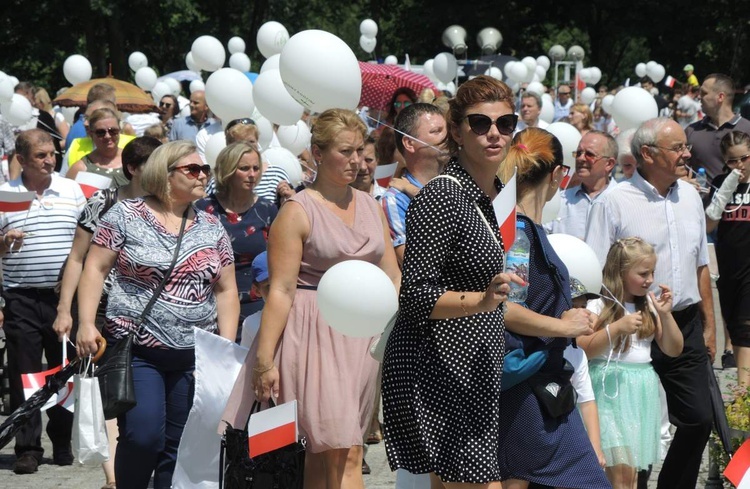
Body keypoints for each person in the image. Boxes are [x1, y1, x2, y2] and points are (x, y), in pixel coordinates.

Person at [382, 76, 594, 489]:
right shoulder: (442, 196)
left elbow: (510, 282)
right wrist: (480, 301)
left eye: (505, 123)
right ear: (457, 131)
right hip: (440, 368)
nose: (494, 133)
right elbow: (415, 296)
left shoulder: (500, 196)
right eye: (479, 124)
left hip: (484, 365)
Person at [222, 108, 400, 489]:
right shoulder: (297, 211)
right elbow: (282, 291)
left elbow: (391, 273)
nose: (356, 161)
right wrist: (265, 360)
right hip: (314, 333)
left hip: (364, 340)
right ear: (317, 153)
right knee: (335, 450)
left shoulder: (370, 204)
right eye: (345, 151)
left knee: (339, 450)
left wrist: (391, 331)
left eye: (360, 151)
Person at [76, 141, 239, 488]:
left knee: (178, 448)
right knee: (143, 436)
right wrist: (87, 323)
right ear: (164, 174)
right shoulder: (125, 214)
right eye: (192, 170)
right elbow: (94, 268)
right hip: (137, 350)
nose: (202, 176)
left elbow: (226, 290)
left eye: (204, 170)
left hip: (193, 355)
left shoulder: (211, 226)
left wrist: (224, 347)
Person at [585, 118, 715, 489]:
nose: (687, 154)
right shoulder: (614, 200)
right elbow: (594, 272)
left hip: (682, 321)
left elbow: (700, 263)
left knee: (698, 418)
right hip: (631, 322)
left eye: (685, 146)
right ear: (648, 153)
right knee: (634, 423)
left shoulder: (690, 195)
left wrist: (709, 325)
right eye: (678, 148)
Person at [497, 127, 608, 489]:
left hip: (541, 388)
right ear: (559, 176)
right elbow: (506, 310)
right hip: (526, 391)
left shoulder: (523, 229)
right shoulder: (519, 234)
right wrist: (564, 326)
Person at [53, 136, 161, 489]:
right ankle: (115, 478)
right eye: (154, 165)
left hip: (151, 314)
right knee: (112, 390)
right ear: (132, 169)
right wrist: (65, 311)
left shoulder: (168, 205)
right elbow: (77, 258)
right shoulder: (103, 202)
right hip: (102, 310)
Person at [0, 129, 86, 474]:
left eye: (53, 153)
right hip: (20, 296)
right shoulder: (5, 195)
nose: (51, 160)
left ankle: (62, 440)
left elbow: (86, 241)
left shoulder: (71, 189)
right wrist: (5, 242)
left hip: (62, 297)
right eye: (41, 155)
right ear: (21, 159)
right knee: (26, 372)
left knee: (64, 369)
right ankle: (28, 446)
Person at [577, 238, 683, 489]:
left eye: (652, 273)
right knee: (620, 473)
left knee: (631, 475)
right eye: (643, 273)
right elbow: (584, 348)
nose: (650, 279)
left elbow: (674, 348)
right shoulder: (598, 305)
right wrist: (615, 329)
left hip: (639, 393)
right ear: (621, 272)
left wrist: (666, 314)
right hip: (609, 391)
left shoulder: (648, 305)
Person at [195, 142, 277, 331]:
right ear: (229, 170)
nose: (252, 174)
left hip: (257, 306)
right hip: (211, 304)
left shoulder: (267, 209)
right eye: (244, 168)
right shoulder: (203, 209)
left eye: (256, 168)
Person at [706, 131, 750, 386]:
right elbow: (709, 224)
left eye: (744, 158)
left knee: (745, 329)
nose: (740, 166)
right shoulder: (721, 182)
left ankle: (743, 395)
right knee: (734, 325)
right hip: (729, 266)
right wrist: (727, 188)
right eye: (733, 161)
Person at [381, 102, 449, 266]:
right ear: (409, 143)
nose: (446, 137)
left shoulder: (459, 182)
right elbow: (412, 263)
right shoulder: (395, 200)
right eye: (436, 131)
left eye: (447, 130)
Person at [546, 131, 618, 239]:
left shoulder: (624, 202)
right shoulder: (560, 201)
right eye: (578, 153)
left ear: (609, 164)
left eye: (589, 154)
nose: (580, 158)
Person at [687, 73, 750, 182]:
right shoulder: (690, 131)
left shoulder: (747, 128)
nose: (698, 97)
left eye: (704, 93)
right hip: (702, 199)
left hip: (742, 198)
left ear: (720, 97)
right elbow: (677, 169)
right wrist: (684, 180)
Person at [66, 107, 128, 188]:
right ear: (91, 134)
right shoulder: (80, 168)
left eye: (113, 131)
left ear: (119, 130)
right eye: (100, 132)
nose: (107, 136)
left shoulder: (133, 161)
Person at [350, 135, 386, 200]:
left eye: (368, 160)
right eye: (358, 160)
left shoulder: (388, 198)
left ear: (377, 162)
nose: (363, 167)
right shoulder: (333, 198)